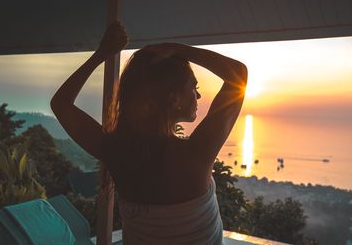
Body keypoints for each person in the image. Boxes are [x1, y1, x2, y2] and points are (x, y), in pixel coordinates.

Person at [51, 21, 247, 245]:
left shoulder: (116, 152)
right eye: (194, 87)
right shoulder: (196, 154)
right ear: (173, 98)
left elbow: (61, 104)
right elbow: (238, 75)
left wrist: (102, 54)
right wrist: (180, 49)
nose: (198, 96)